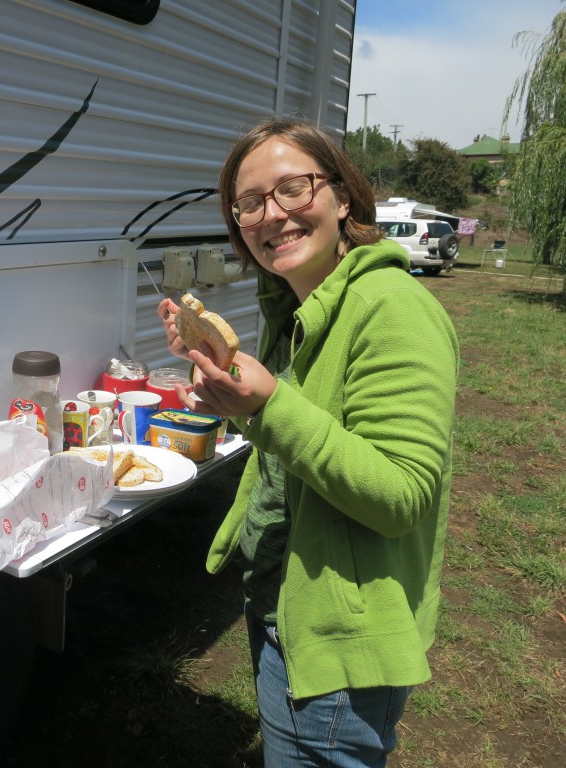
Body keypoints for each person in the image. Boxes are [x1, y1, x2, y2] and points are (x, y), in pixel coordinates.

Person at [156, 117, 459, 768]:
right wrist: (227, 390)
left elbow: (401, 494)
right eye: (250, 202)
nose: (273, 214)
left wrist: (267, 405)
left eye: (294, 188)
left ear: (343, 198)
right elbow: (292, 442)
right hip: (281, 603)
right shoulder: (295, 305)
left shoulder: (390, 306)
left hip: (340, 643)